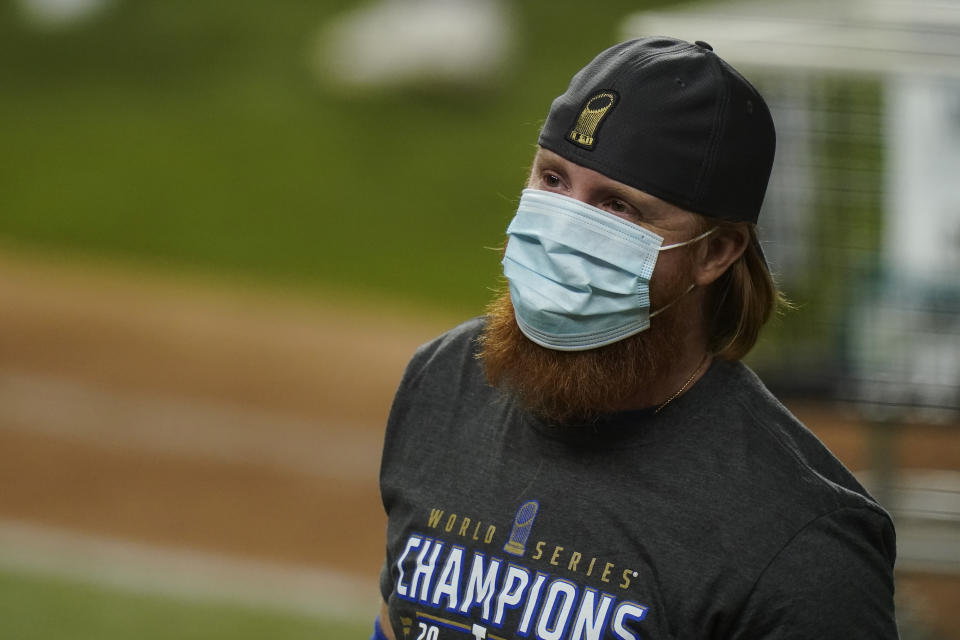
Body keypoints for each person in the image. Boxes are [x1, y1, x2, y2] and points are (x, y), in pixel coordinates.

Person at [372, 37, 899, 639]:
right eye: (553, 178)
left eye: (618, 207)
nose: (563, 227)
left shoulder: (799, 539)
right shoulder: (444, 380)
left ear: (717, 252)